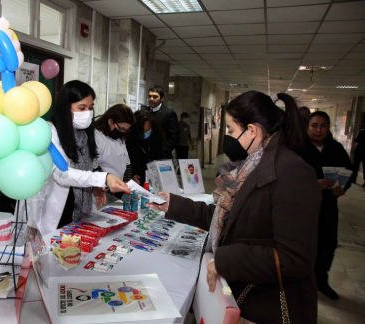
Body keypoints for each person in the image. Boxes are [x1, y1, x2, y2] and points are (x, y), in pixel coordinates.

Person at [148, 91, 321, 323]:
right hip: (247, 292)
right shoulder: (252, 166)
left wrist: (225, 260)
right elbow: (228, 217)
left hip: (268, 304)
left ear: (252, 130)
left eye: (230, 129)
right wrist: (176, 205)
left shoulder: (292, 173)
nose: (228, 136)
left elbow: (295, 258)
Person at [21, 80, 129, 235]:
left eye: (90, 108)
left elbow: (88, 165)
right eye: (81, 108)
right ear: (66, 107)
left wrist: (93, 188)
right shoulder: (49, 131)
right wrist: (103, 178)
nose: (87, 113)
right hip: (57, 211)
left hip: (79, 209)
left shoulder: (85, 132)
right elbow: (62, 174)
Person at [306, 111, 352, 300]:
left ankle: (321, 280)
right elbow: (288, 177)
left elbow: (349, 172)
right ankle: (301, 282)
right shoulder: (298, 148)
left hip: (328, 205)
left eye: (323, 125)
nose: (318, 130)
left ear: (328, 127)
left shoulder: (336, 149)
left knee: (327, 243)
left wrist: (342, 188)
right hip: (303, 206)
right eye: (314, 125)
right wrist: (312, 183)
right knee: (305, 243)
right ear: (307, 127)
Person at [94, 104, 135, 182]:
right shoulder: (97, 137)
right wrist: (109, 186)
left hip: (118, 187)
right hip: (103, 187)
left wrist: (126, 185)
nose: (123, 132)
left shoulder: (119, 138)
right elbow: (94, 168)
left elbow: (127, 164)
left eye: (126, 130)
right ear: (110, 121)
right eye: (122, 128)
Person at [126, 110, 165, 184]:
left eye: (148, 130)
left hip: (153, 177)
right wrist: (132, 175)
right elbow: (128, 162)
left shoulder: (156, 138)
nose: (145, 133)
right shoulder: (129, 140)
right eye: (142, 130)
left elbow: (159, 157)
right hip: (136, 178)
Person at [144, 85, 179, 159]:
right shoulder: (144, 112)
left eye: (155, 96)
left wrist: (165, 150)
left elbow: (174, 136)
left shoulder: (168, 113)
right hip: (145, 155)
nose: (151, 99)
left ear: (162, 98)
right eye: (149, 96)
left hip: (162, 156)